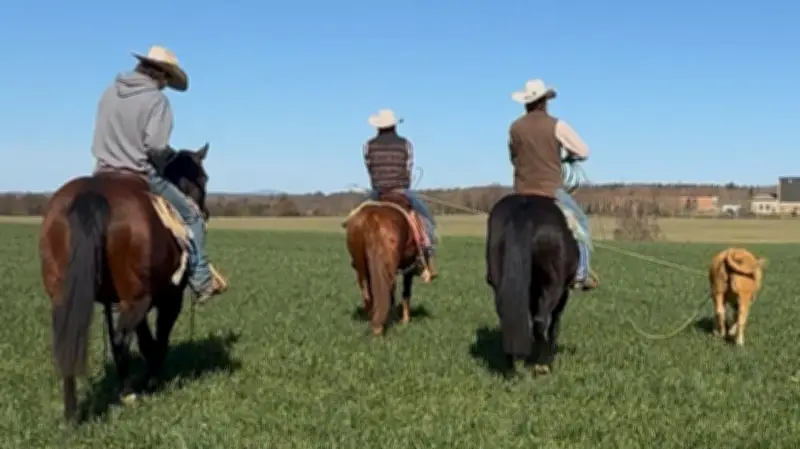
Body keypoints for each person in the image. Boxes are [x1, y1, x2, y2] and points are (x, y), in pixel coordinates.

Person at [91, 45, 224, 304]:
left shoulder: (110, 91)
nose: (165, 85)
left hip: (101, 171)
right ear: (161, 74)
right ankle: (201, 280)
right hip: (139, 173)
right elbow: (155, 147)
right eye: (167, 79)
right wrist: (169, 158)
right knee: (193, 216)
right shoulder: (157, 100)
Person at [507, 79, 598, 291]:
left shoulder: (514, 128)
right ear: (545, 101)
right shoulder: (556, 125)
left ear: (526, 102)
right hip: (549, 190)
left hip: (521, 190)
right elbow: (584, 151)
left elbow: (513, 158)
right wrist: (568, 156)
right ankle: (581, 274)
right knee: (581, 222)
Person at [362, 109, 438, 279]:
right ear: (395, 125)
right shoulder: (406, 144)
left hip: (378, 191)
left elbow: (369, 167)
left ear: (378, 126)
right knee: (426, 221)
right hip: (401, 190)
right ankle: (425, 260)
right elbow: (408, 167)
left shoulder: (368, 145)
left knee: (356, 216)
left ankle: (357, 258)